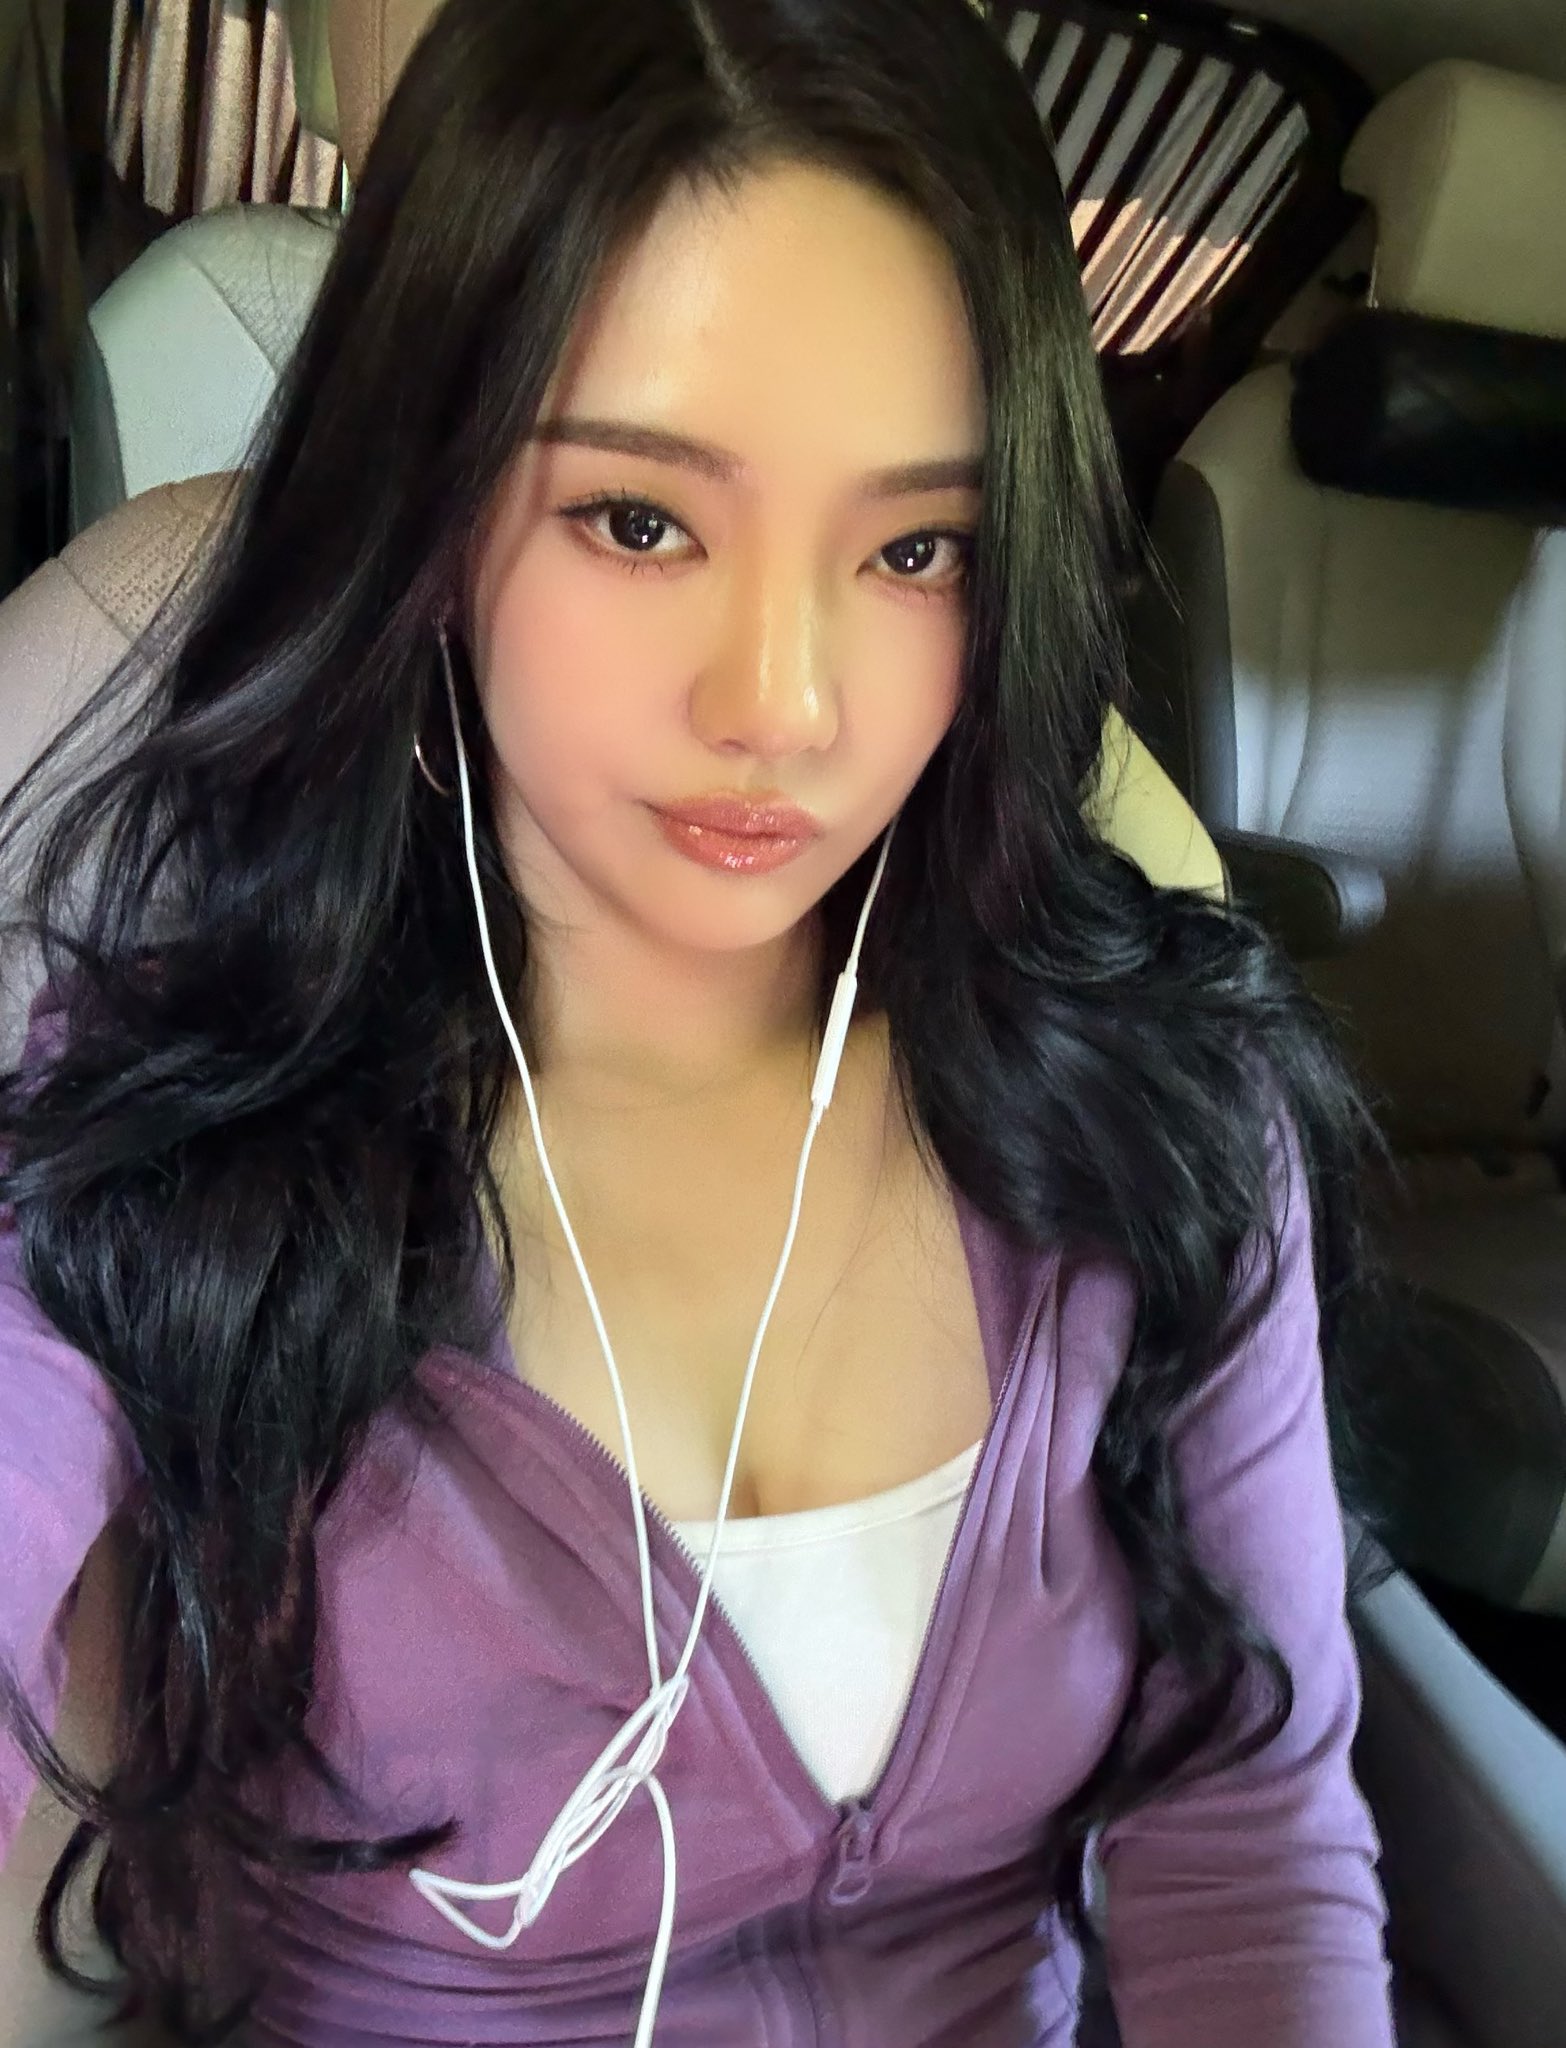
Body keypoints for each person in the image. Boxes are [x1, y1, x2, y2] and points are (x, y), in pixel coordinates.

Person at [0, 0, 1396, 2042]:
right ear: (429, 508)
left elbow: (1247, 1848)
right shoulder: (172, 1121)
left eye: (912, 547)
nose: (785, 702)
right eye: (641, 521)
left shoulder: (1164, 1113)